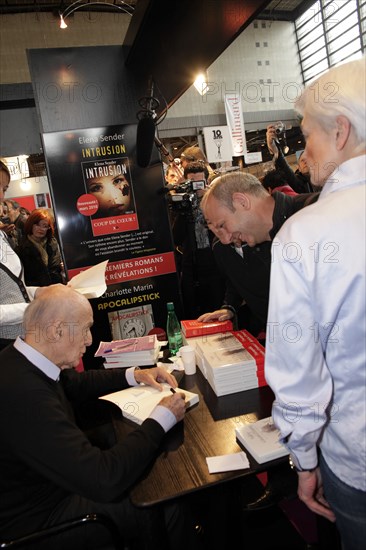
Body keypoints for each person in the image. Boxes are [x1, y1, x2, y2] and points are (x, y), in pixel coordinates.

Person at [0, 284, 199, 550]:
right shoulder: (24, 395)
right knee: (164, 500)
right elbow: (104, 480)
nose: (89, 340)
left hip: (51, 487)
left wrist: (135, 374)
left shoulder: (21, 361)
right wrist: (161, 418)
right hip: (43, 522)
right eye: (84, 329)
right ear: (56, 330)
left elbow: (77, 383)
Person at [265, 58, 365, 550]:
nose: (303, 157)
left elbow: (299, 374)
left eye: (308, 138)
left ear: (341, 130)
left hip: (357, 460)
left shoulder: (304, 234)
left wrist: (304, 461)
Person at [198, 171, 318, 337]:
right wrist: (230, 306)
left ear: (241, 202)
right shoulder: (249, 242)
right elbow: (238, 280)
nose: (225, 240)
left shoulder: (316, 214)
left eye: (222, 225)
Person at [0, 159, 44, 351]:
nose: (1, 196)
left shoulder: (2, 235)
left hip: (22, 340)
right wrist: (33, 308)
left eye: (4, 189)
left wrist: (40, 292)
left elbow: (14, 289)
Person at [172, 161, 225, 319]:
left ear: (207, 182)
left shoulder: (217, 202)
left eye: (199, 182)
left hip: (216, 265)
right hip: (191, 267)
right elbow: (176, 237)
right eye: (192, 183)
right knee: (193, 316)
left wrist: (206, 201)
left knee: (217, 311)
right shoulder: (180, 205)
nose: (196, 187)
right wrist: (183, 206)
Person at [16, 208, 64, 286]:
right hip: (36, 291)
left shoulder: (52, 243)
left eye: (45, 226)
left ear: (48, 228)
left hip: (56, 287)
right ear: (31, 224)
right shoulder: (21, 248)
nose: (41, 229)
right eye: (37, 225)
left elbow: (55, 268)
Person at [266, 125, 316, 193]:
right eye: (302, 160)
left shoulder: (326, 179)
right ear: (299, 168)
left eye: (308, 159)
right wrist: (276, 151)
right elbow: (286, 171)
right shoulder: (300, 184)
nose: (305, 162)